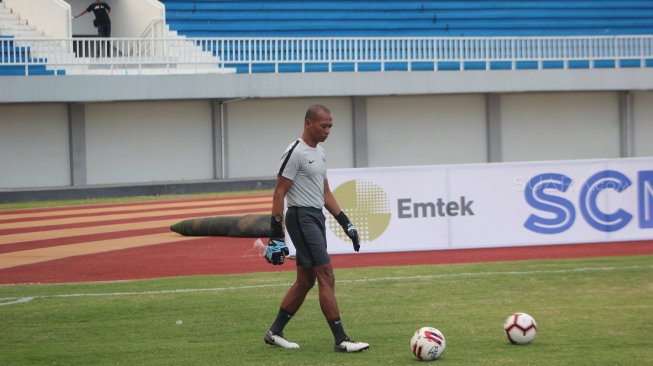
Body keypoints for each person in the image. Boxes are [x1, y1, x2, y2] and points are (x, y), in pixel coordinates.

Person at [263, 104, 370, 353]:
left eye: (331, 126)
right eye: (324, 126)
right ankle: (341, 339)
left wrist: (346, 223)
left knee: (306, 280)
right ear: (308, 123)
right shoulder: (295, 152)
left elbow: (325, 192)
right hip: (301, 217)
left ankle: (274, 332)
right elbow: (279, 192)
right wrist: (276, 235)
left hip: (316, 217)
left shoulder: (320, 152)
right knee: (326, 275)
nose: (328, 131)